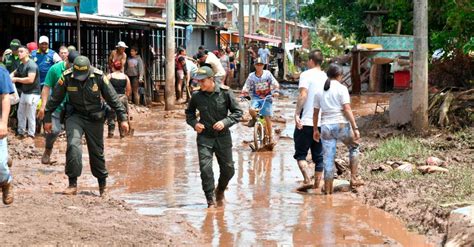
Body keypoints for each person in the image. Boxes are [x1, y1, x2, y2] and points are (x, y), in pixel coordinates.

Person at [44, 56, 129, 196]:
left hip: (95, 118)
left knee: (96, 152)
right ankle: (72, 184)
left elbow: (113, 98)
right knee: (73, 146)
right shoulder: (67, 77)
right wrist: (47, 117)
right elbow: (55, 98)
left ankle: (102, 185)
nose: (80, 78)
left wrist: (123, 118)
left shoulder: (99, 77)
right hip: (74, 116)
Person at [185, 66, 243, 208]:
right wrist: (195, 124)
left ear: (211, 80)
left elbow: (238, 113)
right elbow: (189, 114)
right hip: (205, 137)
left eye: (202, 81)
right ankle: (210, 201)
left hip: (223, 137)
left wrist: (225, 122)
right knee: (205, 170)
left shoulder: (225, 93)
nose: (200, 84)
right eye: (198, 82)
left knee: (229, 169)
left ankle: (220, 190)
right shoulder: (197, 96)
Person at [313, 63, 364, 194]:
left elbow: (315, 113)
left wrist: (315, 130)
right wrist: (355, 127)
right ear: (339, 76)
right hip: (341, 125)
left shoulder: (319, 91)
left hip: (325, 127)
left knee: (328, 159)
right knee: (354, 147)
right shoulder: (342, 89)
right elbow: (347, 109)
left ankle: (328, 191)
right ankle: (353, 178)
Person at [38, 50, 79, 164]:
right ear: (66, 60)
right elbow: (46, 87)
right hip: (56, 107)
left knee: (72, 136)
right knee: (54, 131)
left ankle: (70, 160)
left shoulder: (79, 71)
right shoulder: (55, 69)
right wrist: (43, 106)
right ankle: (48, 150)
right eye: (72, 65)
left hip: (72, 108)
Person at [293, 50, 326, 191]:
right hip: (321, 123)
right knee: (319, 156)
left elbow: (303, 94)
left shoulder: (306, 75)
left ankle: (307, 179)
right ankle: (317, 186)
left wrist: (296, 113)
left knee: (301, 154)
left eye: (308, 60)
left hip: (306, 122)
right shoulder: (326, 77)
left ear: (311, 61)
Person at [241, 58, 280, 145]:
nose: (259, 66)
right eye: (257, 65)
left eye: (261, 65)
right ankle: (255, 119)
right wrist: (243, 93)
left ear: (263, 65)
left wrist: (276, 91)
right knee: (251, 109)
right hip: (256, 98)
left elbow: (275, 83)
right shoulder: (251, 76)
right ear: (254, 65)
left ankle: (270, 138)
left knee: (267, 118)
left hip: (267, 98)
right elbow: (246, 85)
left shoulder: (267, 74)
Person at [11, 46, 41, 139]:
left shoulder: (31, 65)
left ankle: (31, 134)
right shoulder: (22, 65)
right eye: (18, 51)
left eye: (21, 51)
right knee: (21, 113)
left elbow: (30, 79)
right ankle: (21, 132)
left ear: (27, 53)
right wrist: (8, 77)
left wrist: (16, 79)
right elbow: (14, 73)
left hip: (33, 93)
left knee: (30, 115)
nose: (19, 53)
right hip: (25, 92)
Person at [0, 66, 15, 205]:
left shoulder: (1, 72)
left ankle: (6, 183)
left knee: (0, 165)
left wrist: (3, 123)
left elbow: (5, 97)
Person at [107, 61, 131, 138]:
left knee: (111, 117)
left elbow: (105, 88)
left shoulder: (109, 76)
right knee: (122, 116)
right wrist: (125, 97)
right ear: (121, 68)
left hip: (112, 98)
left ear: (113, 67)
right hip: (122, 98)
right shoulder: (125, 77)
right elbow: (128, 90)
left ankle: (110, 134)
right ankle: (122, 134)